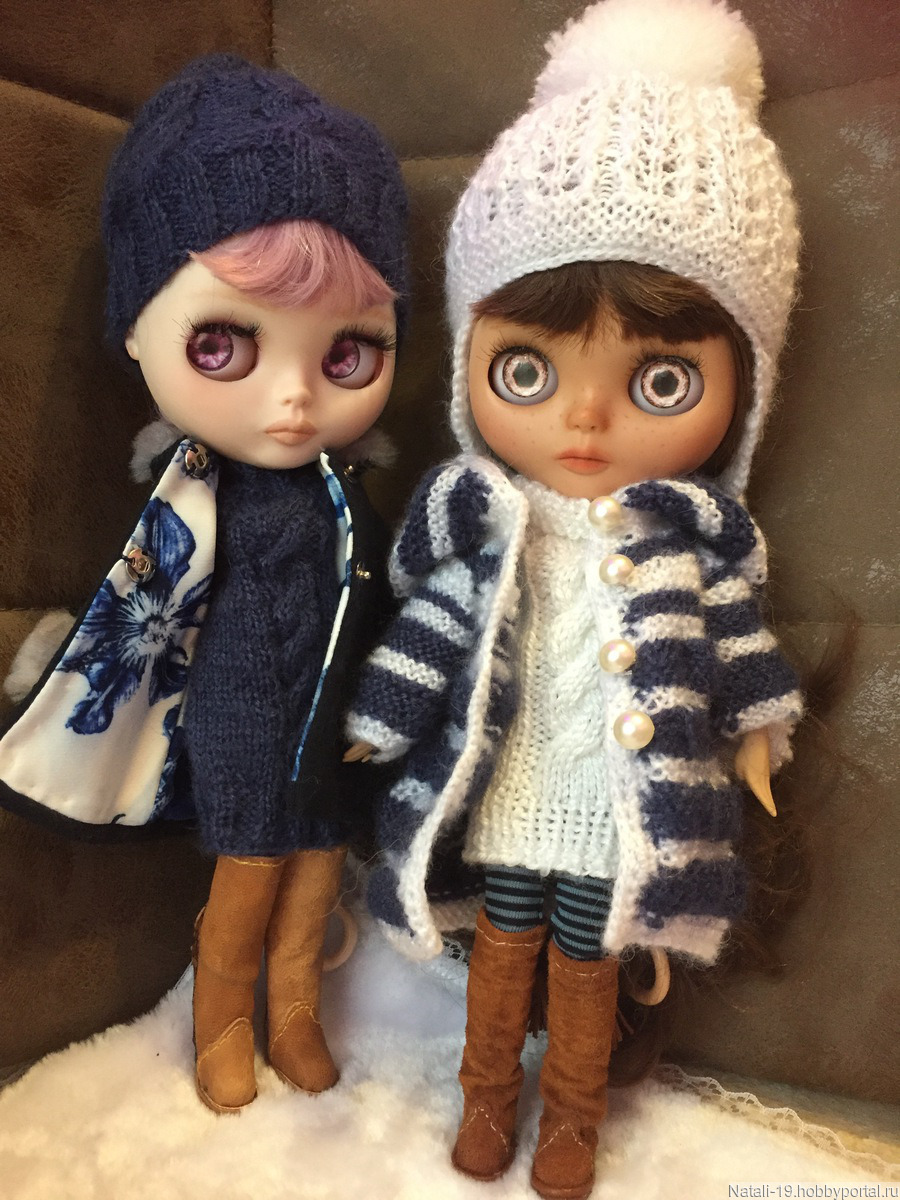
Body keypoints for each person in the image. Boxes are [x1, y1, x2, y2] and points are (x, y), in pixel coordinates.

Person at [343, 1, 802, 1196]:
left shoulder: (692, 540)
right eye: (528, 369)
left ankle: (573, 1128)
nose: (584, 418)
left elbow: (736, 642)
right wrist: (380, 722)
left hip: (616, 804)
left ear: (744, 396)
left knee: (589, 959)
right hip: (516, 780)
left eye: (661, 380)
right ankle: (487, 1104)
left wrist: (757, 732)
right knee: (506, 939)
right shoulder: (483, 524)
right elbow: (433, 628)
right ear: (468, 364)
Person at [0, 54, 408, 1115]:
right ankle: (224, 1023)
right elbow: (136, 613)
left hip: (336, 728)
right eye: (224, 345)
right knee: (247, 869)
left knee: (316, 871)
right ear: (139, 328)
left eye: (348, 355)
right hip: (237, 718)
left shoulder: (352, 497)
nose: (294, 399)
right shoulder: (193, 499)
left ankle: (297, 1015)